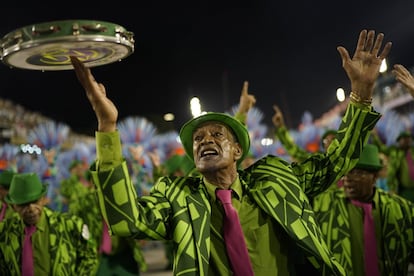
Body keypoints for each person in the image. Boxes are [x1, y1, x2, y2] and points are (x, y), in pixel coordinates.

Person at [70, 29, 391, 275]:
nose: (205, 140)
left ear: (237, 149)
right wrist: (108, 128)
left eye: (216, 135)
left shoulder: (276, 179)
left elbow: (337, 161)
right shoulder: (176, 197)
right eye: (197, 139)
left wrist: (361, 94)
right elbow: (126, 221)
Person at [312, 144, 414, 275]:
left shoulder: (402, 210)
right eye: (345, 173)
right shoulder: (324, 206)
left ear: (375, 176)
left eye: (357, 173)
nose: (347, 179)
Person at [0, 172, 99, 275]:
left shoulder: (69, 225)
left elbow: (90, 255)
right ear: (13, 206)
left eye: (35, 201)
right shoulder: (5, 232)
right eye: (23, 205)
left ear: (43, 200)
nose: (31, 209)